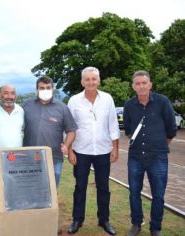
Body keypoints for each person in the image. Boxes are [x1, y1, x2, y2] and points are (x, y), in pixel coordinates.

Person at [67, 67, 120, 235]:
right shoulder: (74, 100)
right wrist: (70, 151)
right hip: (81, 151)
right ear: (82, 82)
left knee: (103, 187)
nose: (91, 82)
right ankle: (77, 219)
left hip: (103, 151)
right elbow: (69, 127)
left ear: (99, 80)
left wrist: (115, 148)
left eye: (94, 79)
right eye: (87, 79)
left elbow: (113, 124)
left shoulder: (108, 99)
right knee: (80, 186)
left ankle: (104, 220)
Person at [123, 71, 177, 236]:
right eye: (137, 83)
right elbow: (128, 130)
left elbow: (171, 129)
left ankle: (155, 227)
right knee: (133, 192)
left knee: (158, 194)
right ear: (133, 86)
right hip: (135, 157)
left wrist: (158, 145)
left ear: (150, 84)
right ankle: (136, 223)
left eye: (144, 82)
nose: (141, 86)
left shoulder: (162, 101)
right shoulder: (129, 105)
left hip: (158, 157)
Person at [0, 84, 24, 236]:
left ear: (15, 96)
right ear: (0, 95)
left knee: (14, 197)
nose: (9, 96)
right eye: (5, 93)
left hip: (17, 164)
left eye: (12, 93)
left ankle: (12, 226)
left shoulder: (21, 110)